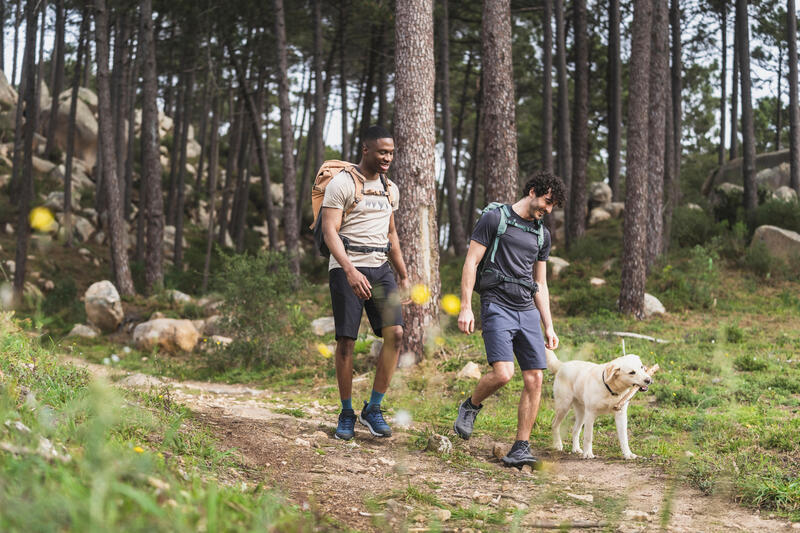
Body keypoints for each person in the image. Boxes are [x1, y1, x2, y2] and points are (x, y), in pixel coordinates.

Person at [452, 171, 566, 467]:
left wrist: (549, 325)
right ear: (532, 191)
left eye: (553, 206)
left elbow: (539, 282)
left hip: (526, 308)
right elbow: (471, 262)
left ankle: (520, 447)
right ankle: (470, 405)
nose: (548, 210)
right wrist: (466, 306)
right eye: (547, 201)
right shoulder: (494, 219)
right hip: (496, 304)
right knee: (503, 374)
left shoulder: (542, 234)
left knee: (535, 378)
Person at [321, 125, 410, 441]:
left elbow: (392, 235)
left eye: (391, 153)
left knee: (396, 334)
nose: (388, 158)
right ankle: (346, 412)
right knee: (346, 341)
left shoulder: (390, 188)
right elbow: (329, 231)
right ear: (366, 150)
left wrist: (403, 274)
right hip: (347, 266)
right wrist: (348, 270)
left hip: (380, 267)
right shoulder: (341, 184)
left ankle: (373, 408)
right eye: (382, 152)